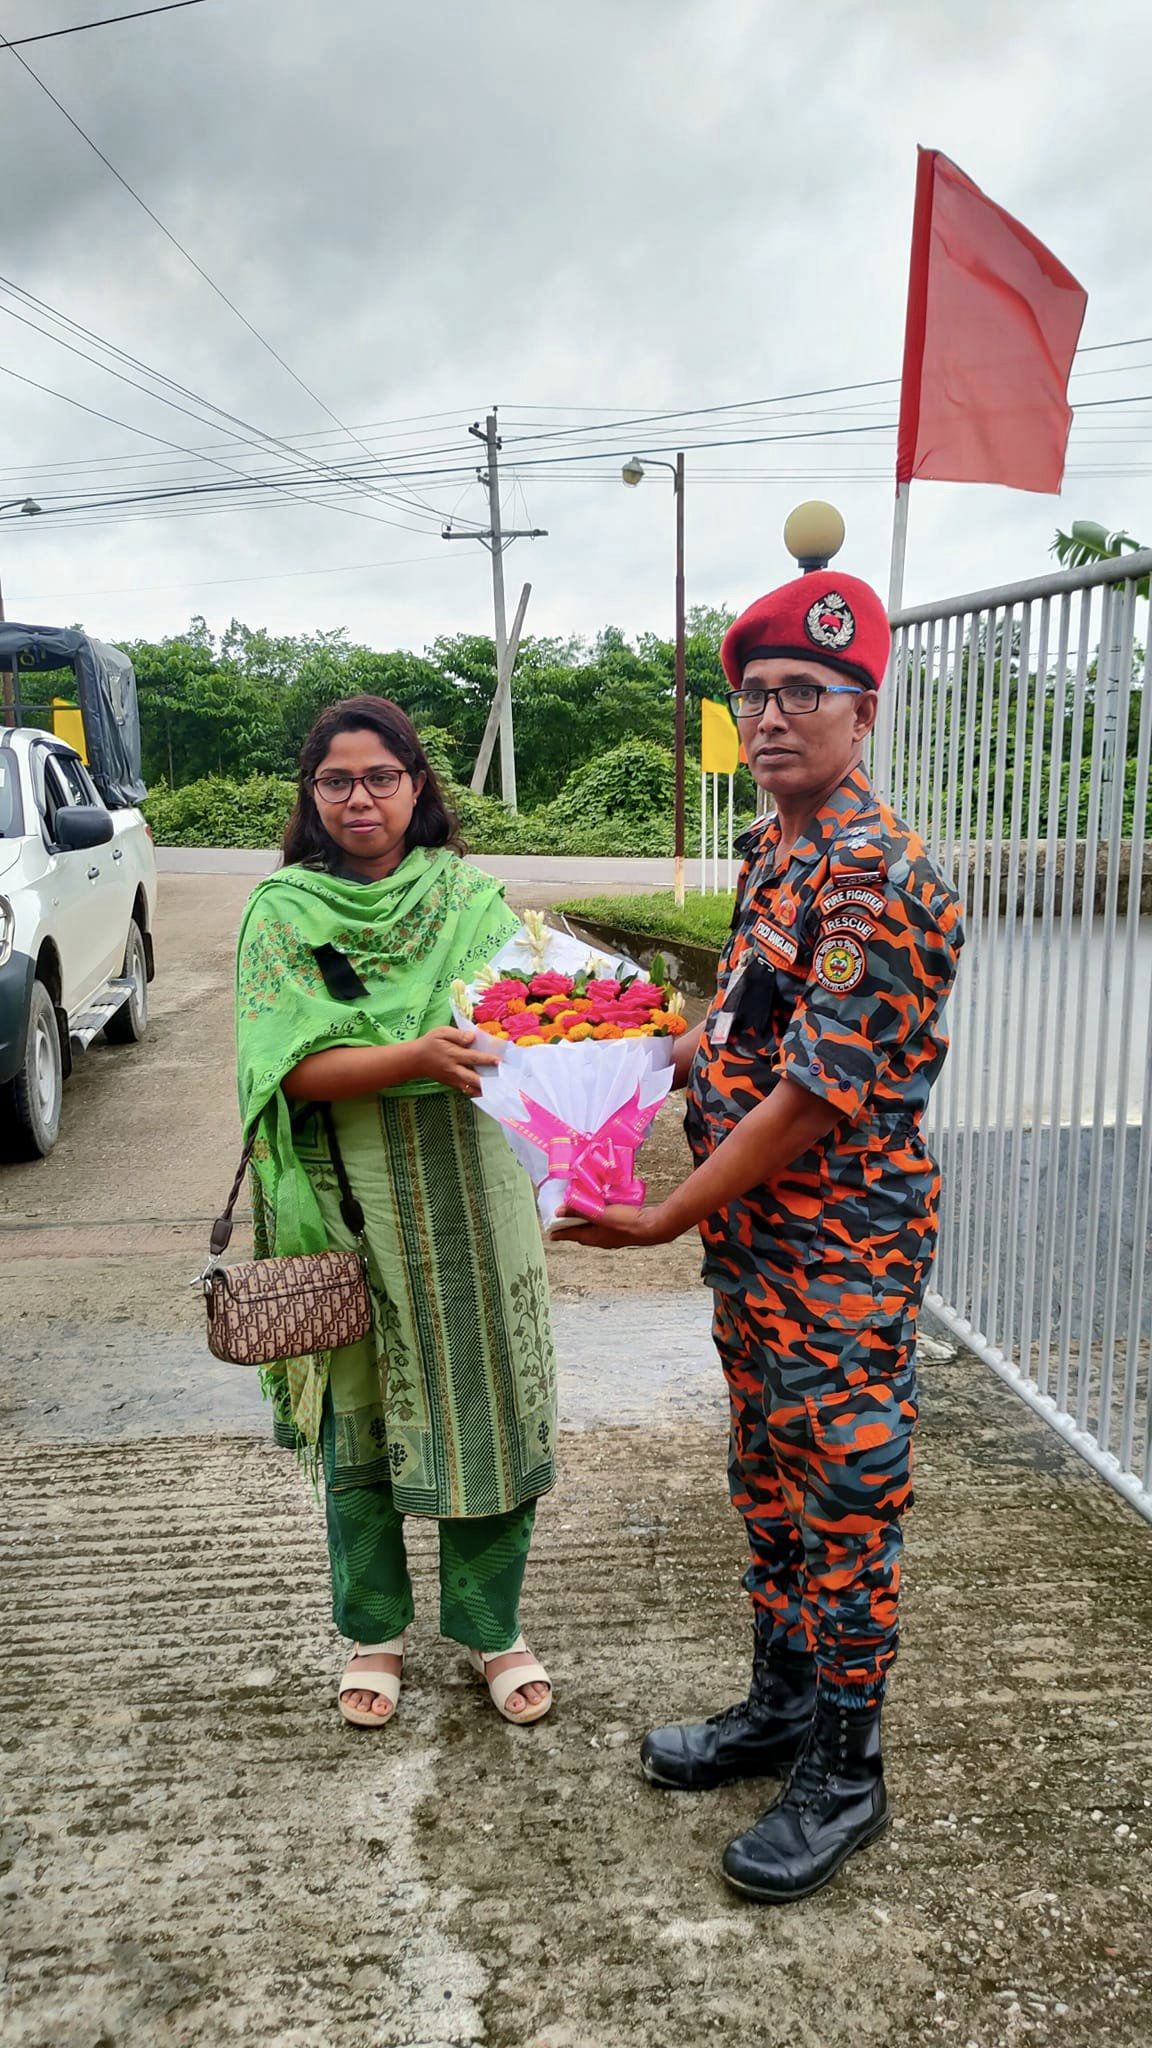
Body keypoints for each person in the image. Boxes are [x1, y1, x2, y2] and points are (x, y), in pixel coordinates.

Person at [567, 570, 963, 1901]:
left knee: (846, 1501)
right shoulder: (776, 857)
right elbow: (742, 1032)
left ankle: (847, 1776)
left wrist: (667, 1211)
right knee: (772, 1483)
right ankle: (781, 1710)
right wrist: (615, 1058)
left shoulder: (873, 878)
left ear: (862, 715)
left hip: (837, 1253)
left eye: (808, 694)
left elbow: (814, 1094)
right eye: (757, 696)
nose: (777, 715)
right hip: (761, 1257)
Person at [235, 695, 556, 1729]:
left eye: (381, 776)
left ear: (418, 786)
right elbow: (292, 1066)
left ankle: (492, 1627)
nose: (360, 797)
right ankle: (373, 1629)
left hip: (473, 1190)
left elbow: (532, 1014)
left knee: (488, 1412)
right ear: (311, 794)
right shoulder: (283, 911)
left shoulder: (470, 896)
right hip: (348, 1204)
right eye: (337, 780)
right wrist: (418, 1053)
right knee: (360, 1422)